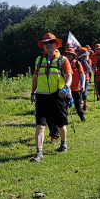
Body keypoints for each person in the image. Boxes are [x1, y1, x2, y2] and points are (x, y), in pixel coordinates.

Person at [30, 33, 72, 162]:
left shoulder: (63, 60)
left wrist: (66, 87)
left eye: (51, 42)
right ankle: (39, 153)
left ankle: (63, 143)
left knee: (60, 124)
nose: (48, 45)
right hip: (41, 96)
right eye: (46, 43)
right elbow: (35, 77)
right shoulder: (38, 60)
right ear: (43, 46)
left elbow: (69, 75)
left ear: (56, 45)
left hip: (57, 95)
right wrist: (33, 92)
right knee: (40, 125)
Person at [65, 47, 86, 122]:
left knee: (78, 105)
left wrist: (83, 86)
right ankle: (65, 120)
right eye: (67, 54)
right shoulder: (63, 63)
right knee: (65, 105)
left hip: (76, 88)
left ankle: (82, 116)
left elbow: (83, 75)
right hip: (65, 88)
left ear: (74, 55)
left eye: (70, 54)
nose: (69, 56)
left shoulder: (77, 63)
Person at [78, 47, 92, 112]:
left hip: (86, 78)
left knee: (85, 93)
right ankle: (79, 106)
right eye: (82, 55)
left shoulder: (89, 60)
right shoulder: (78, 60)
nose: (83, 56)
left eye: (85, 55)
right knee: (79, 93)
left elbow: (90, 70)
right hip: (78, 78)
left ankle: (85, 105)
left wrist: (86, 63)